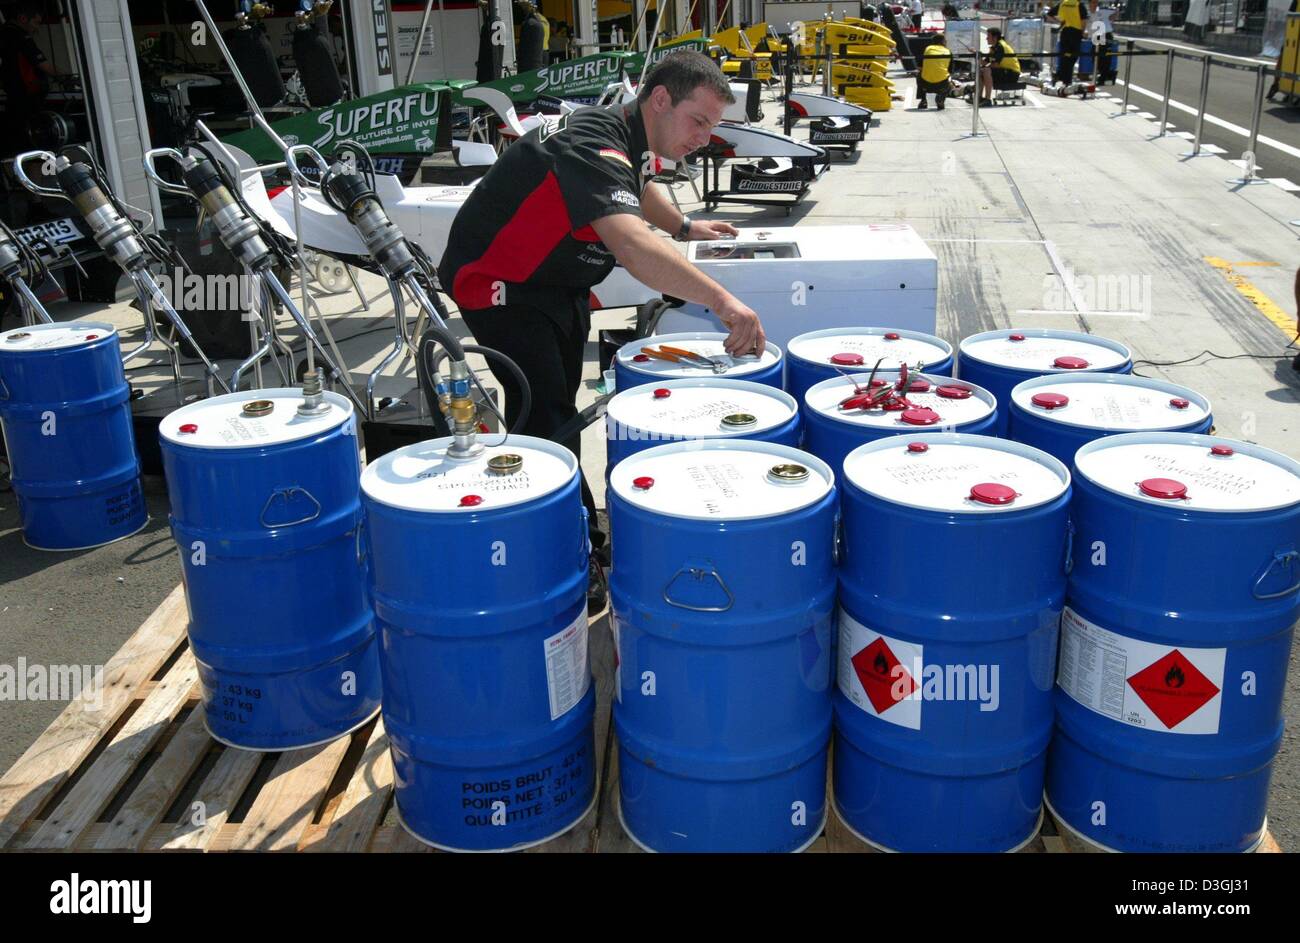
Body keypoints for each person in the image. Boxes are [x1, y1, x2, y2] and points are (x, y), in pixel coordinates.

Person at [437, 52, 765, 611]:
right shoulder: (594, 140)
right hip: (502, 286)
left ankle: (568, 529)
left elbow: (635, 186)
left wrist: (685, 225)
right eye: (700, 121)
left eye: (712, 126)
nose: (706, 139)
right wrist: (723, 301)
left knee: (562, 409)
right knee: (547, 421)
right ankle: (572, 556)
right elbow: (634, 246)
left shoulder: (626, 132)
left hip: (554, 282)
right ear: (660, 99)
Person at [1, 0, 55, 154]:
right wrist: (71, 76)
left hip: (11, 99)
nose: (37, 28)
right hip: (27, 100)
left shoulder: (4, 34)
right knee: (38, 147)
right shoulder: (20, 37)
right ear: (23, 19)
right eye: (36, 23)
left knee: (16, 147)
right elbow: (44, 65)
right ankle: (44, 176)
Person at [1047, 0, 1085, 86]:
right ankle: (1066, 79)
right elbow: (1083, 21)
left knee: (1065, 56)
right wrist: (1082, 33)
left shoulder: (1063, 3)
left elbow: (1049, 14)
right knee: (1073, 56)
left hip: (1065, 32)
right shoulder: (1079, 5)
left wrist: (1059, 22)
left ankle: (1061, 76)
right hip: (1076, 32)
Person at [979, 27, 1021, 102]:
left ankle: (987, 100)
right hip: (1003, 71)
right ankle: (979, 98)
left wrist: (985, 66)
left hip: (1012, 74)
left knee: (986, 71)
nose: (986, 38)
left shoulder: (1000, 47)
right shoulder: (994, 48)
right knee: (980, 71)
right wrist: (977, 55)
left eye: (988, 36)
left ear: (994, 38)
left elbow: (995, 65)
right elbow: (985, 63)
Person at [916, 33, 951, 109]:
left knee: (918, 75)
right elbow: (950, 69)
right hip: (942, 83)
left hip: (925, 83)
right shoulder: (948, 51)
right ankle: (941, 98)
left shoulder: (928, 49)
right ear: (943, 42)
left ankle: (923, 101)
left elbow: (919, 67)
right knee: (950, 82)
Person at [1087, 0, 1115, 84]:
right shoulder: (1088, 14)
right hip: (1096, 36)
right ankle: (1106, 74)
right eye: (1093, 2)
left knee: (1104, 57)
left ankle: (1103, 78)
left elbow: (1116, 11)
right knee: (1094, 55)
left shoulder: (1102, 11)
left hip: (1105, 35)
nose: (1095, 4)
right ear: (1089, 3)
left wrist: (1112, 19)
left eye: (1096, 2)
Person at [516, 1, 548, 71]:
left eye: (523, 6)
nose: (521, 8)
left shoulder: (530, 23)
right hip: (542, 54)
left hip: (534, 56)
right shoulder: (542, 19)